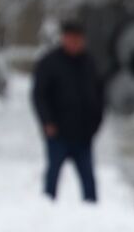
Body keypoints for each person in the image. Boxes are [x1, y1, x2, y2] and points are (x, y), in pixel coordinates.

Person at [32, 20, 104, 202]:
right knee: (53, 175)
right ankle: (46, 209)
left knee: (88, 180)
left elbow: (100, 95)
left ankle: (93, 214)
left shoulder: (90, 63)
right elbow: (39, 95)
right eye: (70, 38)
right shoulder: (49, 63)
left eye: (78, 38)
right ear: (64, 38)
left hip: (83, 133)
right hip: (58, 132)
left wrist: (95, 124)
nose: (74, 42)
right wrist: (47, 122)